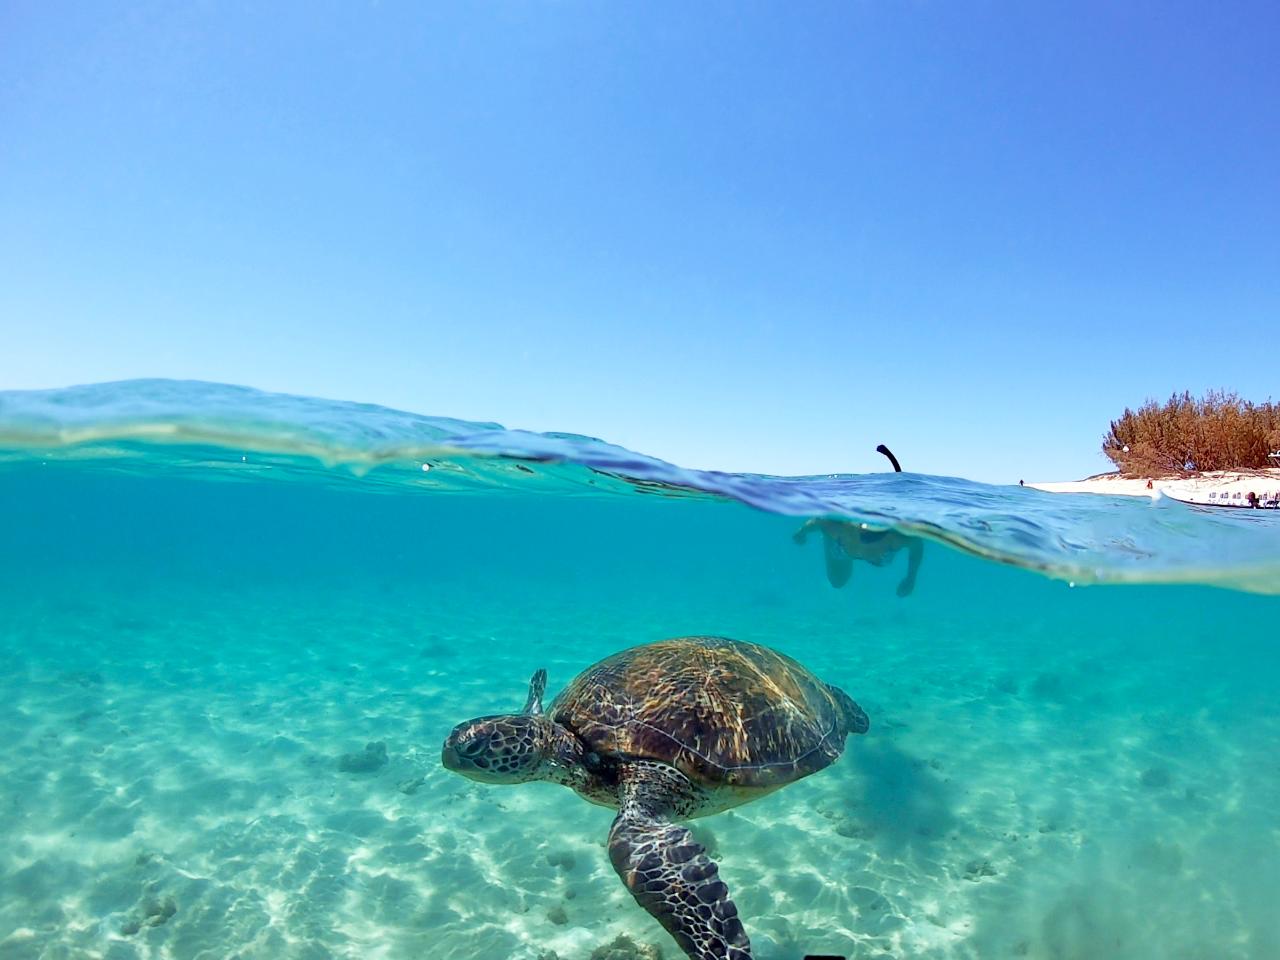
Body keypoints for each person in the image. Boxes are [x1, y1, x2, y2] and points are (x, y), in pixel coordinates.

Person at [794, 519, 924, 596]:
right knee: (837, 582)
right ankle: (829, 540)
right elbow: (819, 522)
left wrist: (911, 577)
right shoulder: (844, 530)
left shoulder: (895, 539)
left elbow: (917, 545)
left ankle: (831, 539)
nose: (866, 530)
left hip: (847, 544)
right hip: (842, 546)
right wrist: (801, 531)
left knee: (837, 580)